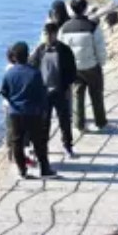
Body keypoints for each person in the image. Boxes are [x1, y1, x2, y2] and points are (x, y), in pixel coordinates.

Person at [1, 42, 56, 179]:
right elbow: (42, 93)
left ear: (14, 56)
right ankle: (44, 169)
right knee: (39, 141)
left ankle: (22, 170)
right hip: (33, 111)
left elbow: (4, 91)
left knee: (17, 141)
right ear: (27, 55)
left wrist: (13, 101)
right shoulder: (35, 73)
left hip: (15, 112)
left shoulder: (10, 73)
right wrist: (43, 109)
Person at [60, 0, 110, 133]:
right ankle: (101, 122)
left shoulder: (64, 28)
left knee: (77, 95)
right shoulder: (92, 26)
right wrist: (102, 62)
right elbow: (100, 47)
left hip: (74, 68)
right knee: (96, 94)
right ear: (85, 9)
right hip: (91, 65)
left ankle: (79, 125)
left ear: (72, 9)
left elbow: (61, 50)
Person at [30, 22, 79, 158]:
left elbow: (72, 71)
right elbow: (33, 67)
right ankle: (42, 148)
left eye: (50, 34)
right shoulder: (39, 50)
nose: (47, 37)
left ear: (56, 34)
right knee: (43, 122)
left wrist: (66, 85)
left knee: (64, 121)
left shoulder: (65, 50)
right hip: (44, 93)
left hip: (61, 91)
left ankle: (68, 146)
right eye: (45, 34)